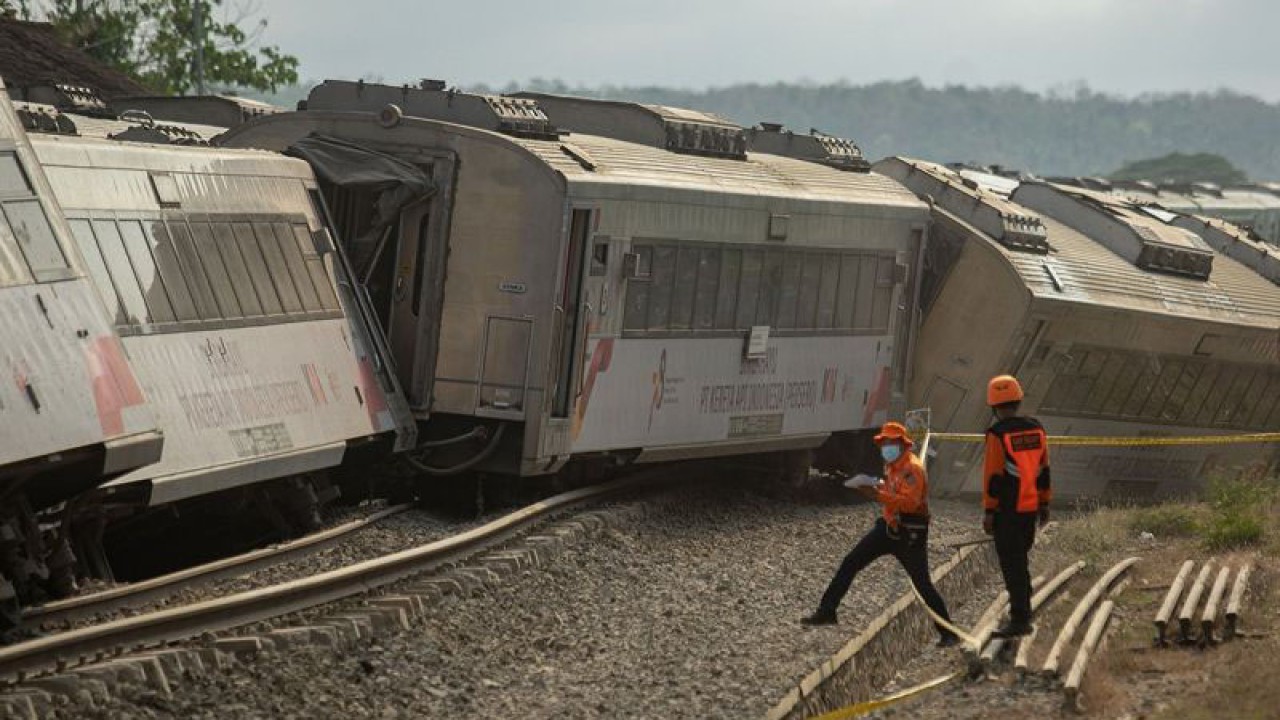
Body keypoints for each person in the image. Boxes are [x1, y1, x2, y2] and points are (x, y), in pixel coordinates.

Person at [802, 421, 959, 648]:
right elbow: (893, 492)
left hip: (910, 533)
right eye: (883, 443)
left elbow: (911, 503)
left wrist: (877, 495)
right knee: (851, 562)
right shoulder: (892, 466)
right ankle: (827, 611)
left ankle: (948, 632)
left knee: (922, 584)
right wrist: (876, 488)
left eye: (889, 442)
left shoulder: (912, 469)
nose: (886, 447)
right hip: (887, 527)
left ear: (902, 444)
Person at [982, 374, 1052, 638]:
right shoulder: (1037, 429)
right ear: (1018, 400)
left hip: (1007, 510)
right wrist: (1044, 503)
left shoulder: (997, 434)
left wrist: (989, 511)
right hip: (1030, 508)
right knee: (1020, 559)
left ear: (993, 406)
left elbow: (993, 477)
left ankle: (1020, 620)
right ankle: (1024, 604)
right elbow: (1044, 469)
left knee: (1012, 565)